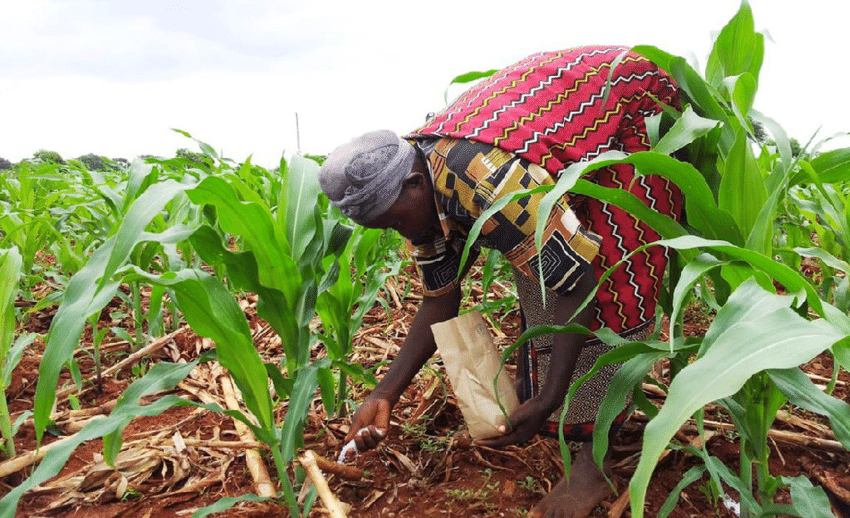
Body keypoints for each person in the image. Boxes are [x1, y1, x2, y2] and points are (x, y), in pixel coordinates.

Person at [318, 45, 683, 518]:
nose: (403, 235)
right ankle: (556, 401)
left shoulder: (484, 181)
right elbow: (440, 299)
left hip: (629, 118)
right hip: (548, 150)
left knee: (613, 279)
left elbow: (579, 282)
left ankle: (593, 463)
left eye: (395, 222)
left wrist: (550, 394)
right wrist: (383, 393)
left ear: (413, 183)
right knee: (539, 269)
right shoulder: (423, 200)